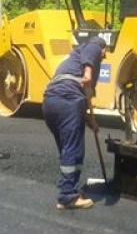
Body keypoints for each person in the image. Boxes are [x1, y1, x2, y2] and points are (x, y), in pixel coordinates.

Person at [42, 36, 107, 210]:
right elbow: (92, 50)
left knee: (66, 149)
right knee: (74, 149)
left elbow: (83, 102)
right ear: (104, 50)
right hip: (68, 99)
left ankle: (68, 188)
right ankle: (67, 197)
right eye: (104, 54)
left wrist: (91, 121)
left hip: (50, 102)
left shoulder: (70, 60)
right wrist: (88, 73)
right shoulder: (92, 48)